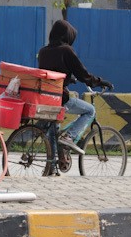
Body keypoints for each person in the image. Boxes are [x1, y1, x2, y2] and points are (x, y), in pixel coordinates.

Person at [37, 19, 113, 154]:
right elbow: (83, 74)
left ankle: (52, 165)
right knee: (90, 111)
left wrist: (67, 78)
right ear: (65, 35)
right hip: (60, 98)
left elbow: (51, 72)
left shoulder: (43, 51)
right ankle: (69, 137)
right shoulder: (66, 50)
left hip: (44, 97)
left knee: (54, 129)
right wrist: (99, 82)